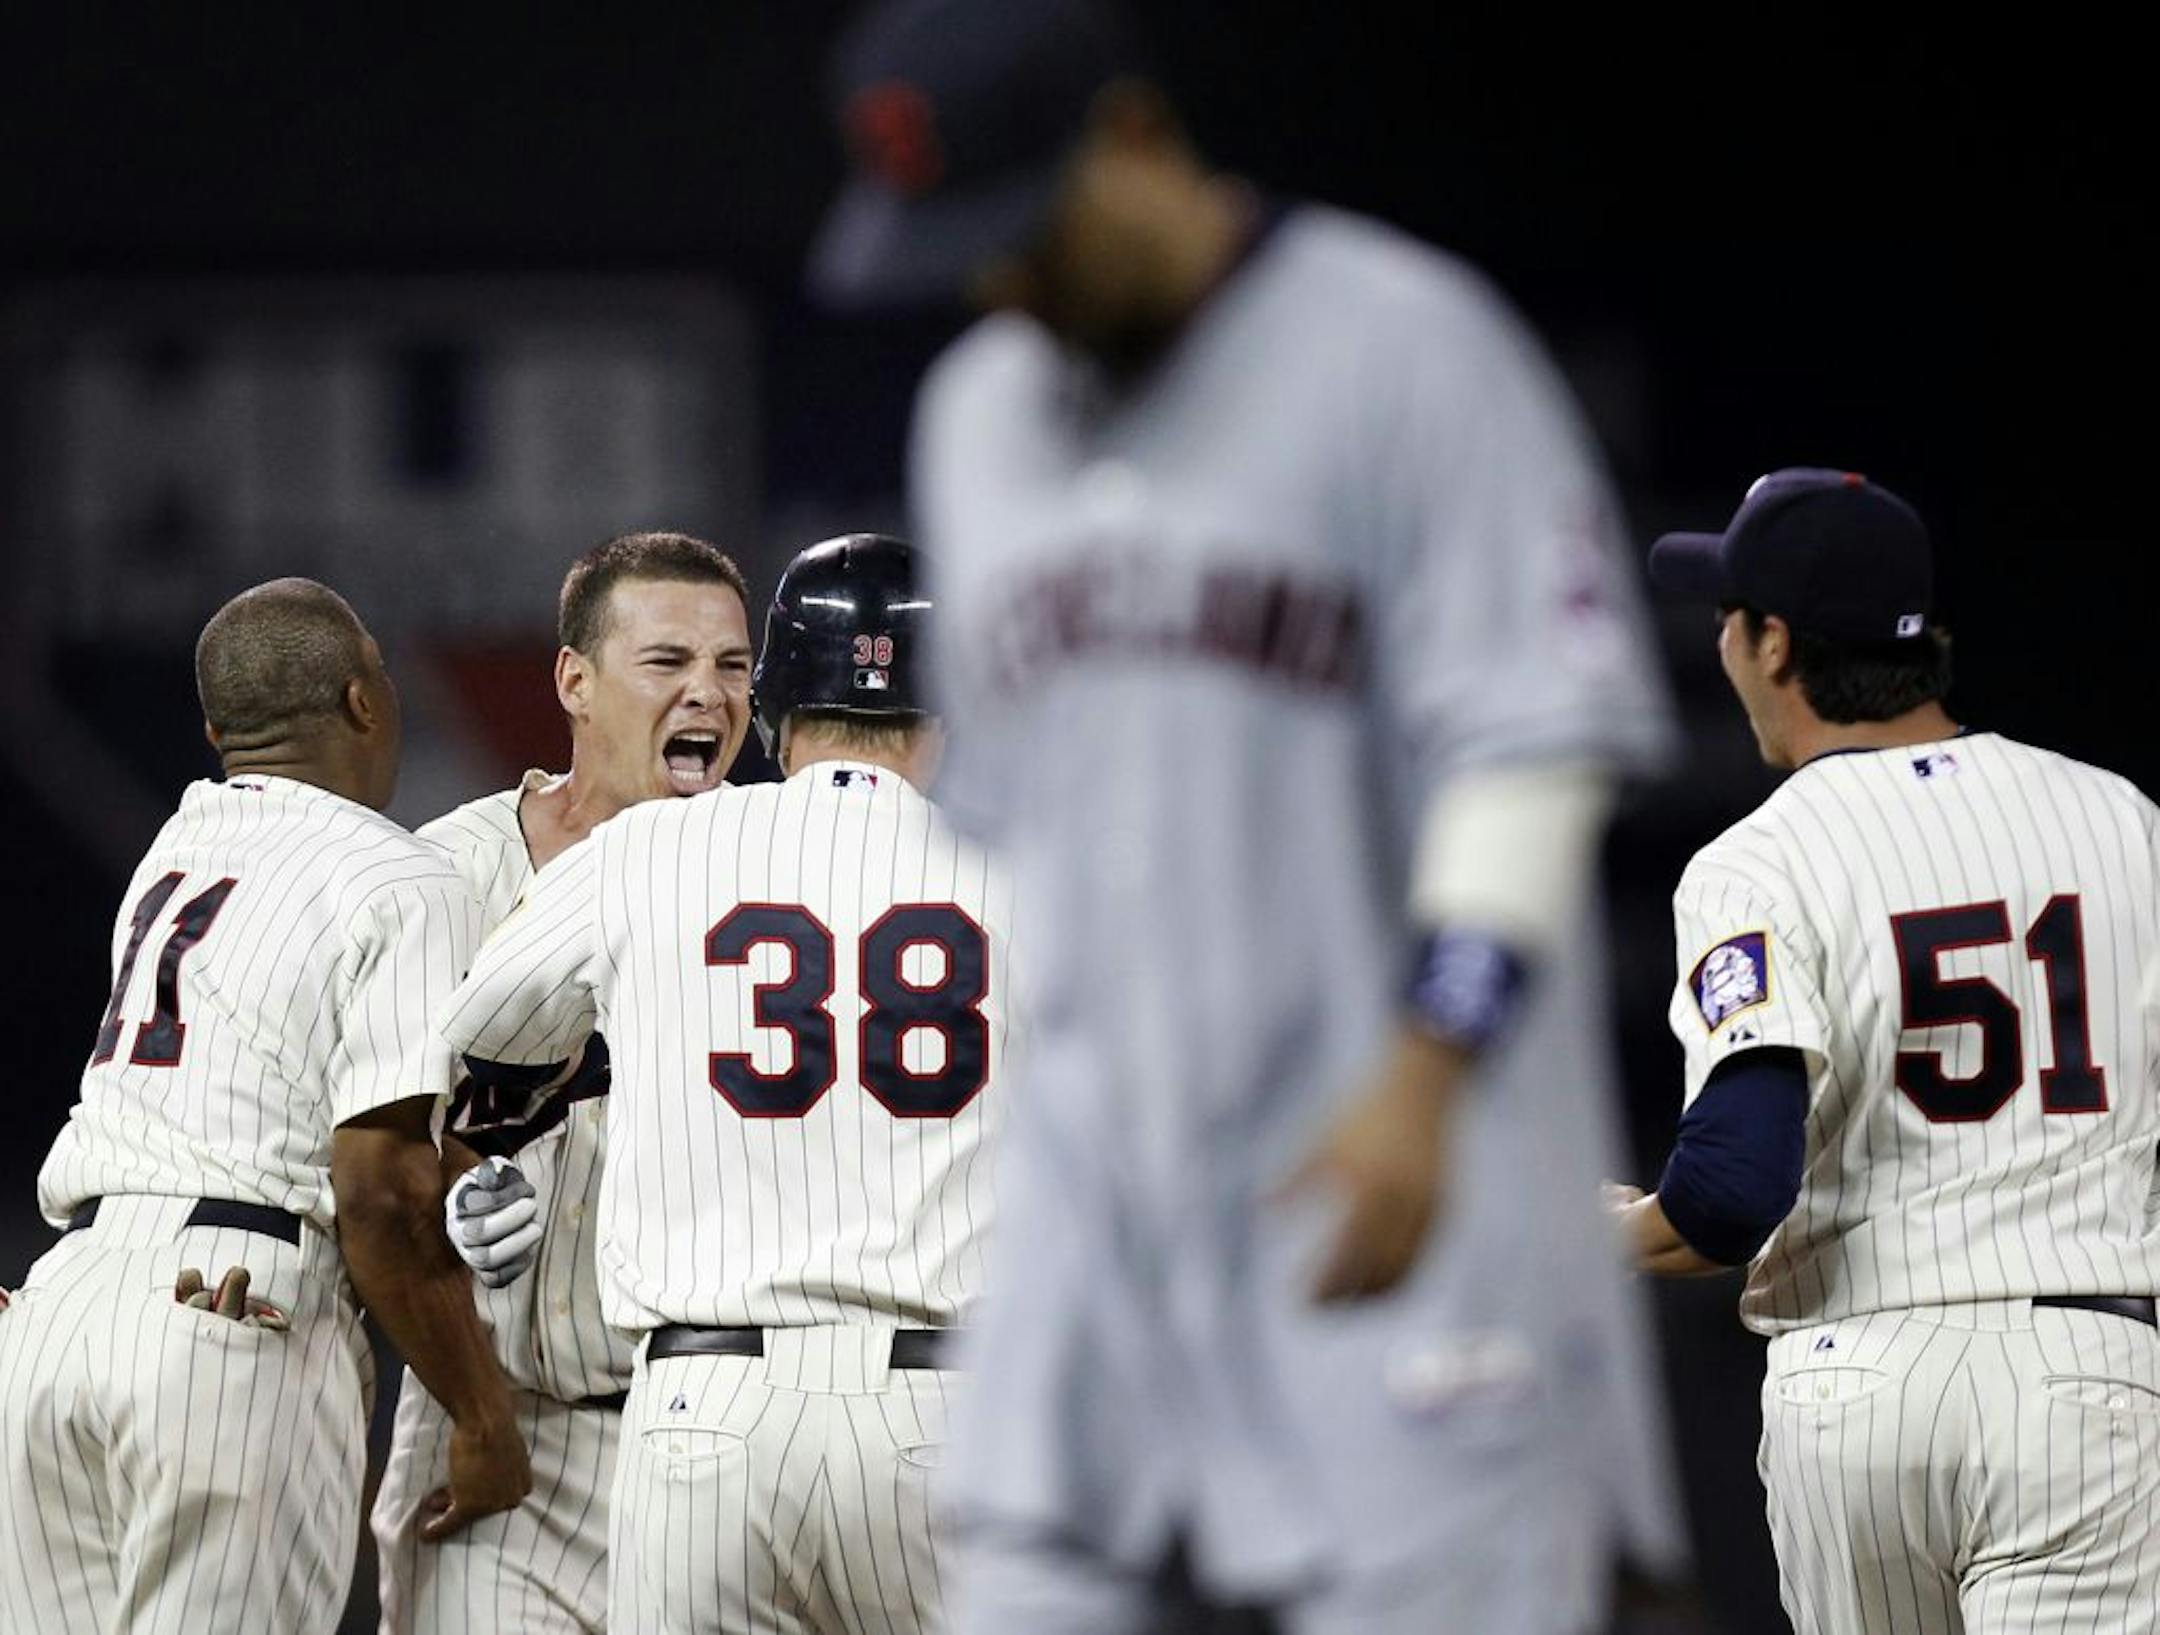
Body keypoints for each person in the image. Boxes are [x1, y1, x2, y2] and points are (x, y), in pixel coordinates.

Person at [809, 2, 1686, 1630]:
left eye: (1026, 230)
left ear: (1134, 137)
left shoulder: (1407, 347)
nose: (1006, 286)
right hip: (1100, 1253)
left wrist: (1431, 1066)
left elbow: (1531, 751)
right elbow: (1035, 850)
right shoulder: (979, 421)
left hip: (1393, 1207)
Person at [1608, 466, 2160, 1632]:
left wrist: (1604, 1232)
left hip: (1855, 1386)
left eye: (1728, 619)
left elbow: (1728, 1190)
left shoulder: (1757, 861)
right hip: (2086, 1368)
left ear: (1771, 644)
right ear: (1931, 641)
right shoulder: (2122, 821)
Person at [438, 534, 1015, 1635]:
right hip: (948, 1409)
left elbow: (481, 1040)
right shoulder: (1021, 872)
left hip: (706, 1413)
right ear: (943, 718)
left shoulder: (653, 850)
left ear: (778, 705)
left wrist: (541, 1103)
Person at [0, 578, 529, 1634]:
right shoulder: (398, 875)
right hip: (228, 1314)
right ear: (365, 702)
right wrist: (480, 1414)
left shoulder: (176, 850)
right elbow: (378, 1187)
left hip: (56, 1314)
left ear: (215, 732)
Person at [371, 532, 756, 1633]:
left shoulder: (780, 882)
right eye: (668, 662)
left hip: (707, 1435)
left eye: (733, 667)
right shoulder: (445, 874)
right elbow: (354, 1145)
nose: (708, 693)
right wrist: (452, 1185)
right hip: (501, 1427)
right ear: (573, 681)